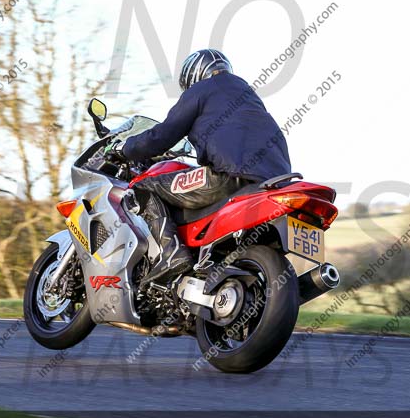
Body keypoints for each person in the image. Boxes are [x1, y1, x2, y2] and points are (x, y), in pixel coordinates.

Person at [106, 49, 291, 285]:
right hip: (272, 181)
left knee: (142, 187)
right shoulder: (247, 95)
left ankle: (171, 254)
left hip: (228, 175)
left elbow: (161, 136)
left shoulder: (202, 90)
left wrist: (126, 149)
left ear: (193, 75)